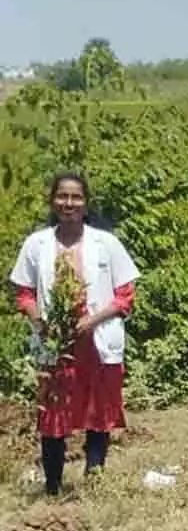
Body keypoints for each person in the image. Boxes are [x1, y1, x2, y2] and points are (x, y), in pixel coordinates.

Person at [10, 174, 140, 496]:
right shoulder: (37, 244)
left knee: (99, 411)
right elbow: (23, 293)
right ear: (53, 201)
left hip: (96, 342)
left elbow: (125, 296)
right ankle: (53, 487)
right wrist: (39, 320)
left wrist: (92, 320)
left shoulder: (106, 244)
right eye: (63, 197)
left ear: (86, 203)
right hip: (56, 343)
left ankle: (93, 480)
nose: (69, 204)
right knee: (53, 412)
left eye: (76, 198)